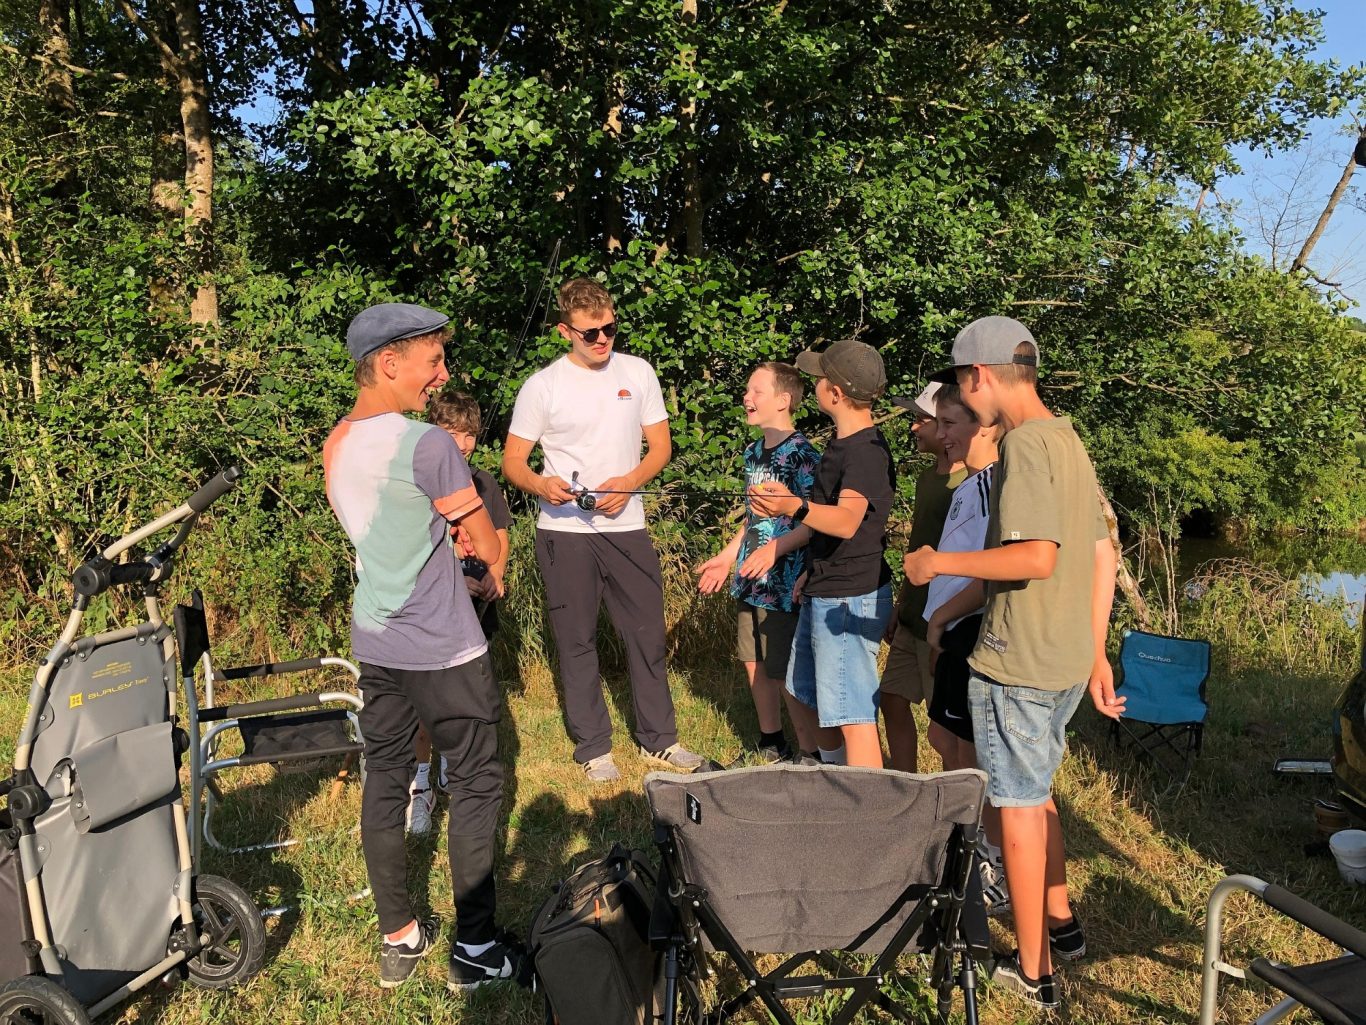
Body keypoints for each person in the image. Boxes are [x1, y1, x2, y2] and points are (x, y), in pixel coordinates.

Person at [905, 316, 1119, 1011]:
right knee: (1038, 794)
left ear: (979, 377)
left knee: (1019, 809)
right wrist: (1095, 651)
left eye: (965, 387)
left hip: (1018, 659)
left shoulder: (1025, 446)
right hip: (1060, 659)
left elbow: (1037, 557)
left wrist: (941, 562)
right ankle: (1061, 929)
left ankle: (1035, 971)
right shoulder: (1069, 437)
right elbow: (1098, 550)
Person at [323, 303, 519, 991]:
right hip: (443, 646)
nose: (442, 375)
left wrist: (448, 537)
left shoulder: (337, 443)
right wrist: (487, 559)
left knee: (385, 778)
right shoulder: (429, 446)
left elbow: (383, 535)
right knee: (476, 782)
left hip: (376, 643)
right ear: (388, 363)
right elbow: (487, 547)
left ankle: (398, 938)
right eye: (433, 360)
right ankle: (475, 950)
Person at [502, 277, 703, 782]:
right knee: (576, 641)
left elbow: (660, 447)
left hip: (627, 528)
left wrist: (630, 481)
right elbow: (513, 462)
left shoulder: (638, 373)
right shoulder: (542, 386)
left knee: (647, 635)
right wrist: (542, 486)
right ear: (564, 331)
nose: (602, 340)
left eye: (609, 328)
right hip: (563, 533)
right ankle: (594, 748)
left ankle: (660, 740)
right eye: (590, 332)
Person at [750, 339, 896, 769]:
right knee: (804, 690)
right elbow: (831, 523)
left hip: (850, 597)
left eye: (819, 378)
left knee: (852, 714)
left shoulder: (866, 453)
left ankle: (869, 807)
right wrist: (810, 571)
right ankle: (832, 777)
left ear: (835, 392)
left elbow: (848, 520)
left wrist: (792, 506)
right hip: (826, 586)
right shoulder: (841, 444)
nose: (813, 383)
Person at [695, 362, 821, 763]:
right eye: (747, 391)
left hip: (785, 583)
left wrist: (776, 550)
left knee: (783, 668)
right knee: (753, 660)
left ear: (783, 400)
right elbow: (756, 520)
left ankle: (811, 752)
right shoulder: (753, 452)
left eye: (756, 392)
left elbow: (814, 522)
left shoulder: (802, 454)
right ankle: (771, 742)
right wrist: (726, 557)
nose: (746, 398)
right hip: (751, 578)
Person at [404, 389, 513, 836]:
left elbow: (500, 534)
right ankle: (421, 784)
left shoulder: (484, 483)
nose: (463, 444)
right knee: (425, 706)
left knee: (464, 700)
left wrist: (495, 574)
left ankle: (454, 769)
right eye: (453, 433)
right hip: (430, 611)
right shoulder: (418, 485)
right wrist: (452, 580)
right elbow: (414, 550)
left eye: (469, 434)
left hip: (476, 612)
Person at [918, 385, 1008, 914]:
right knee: (944, 739)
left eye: (951, 423)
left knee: (973, 757)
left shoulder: (999, 487)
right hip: (949, 630)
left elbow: (990, 571)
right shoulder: (967, 486)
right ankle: (965, 847)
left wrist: (944, 616)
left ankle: (991, 863)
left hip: (972, 630)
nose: (943, 435)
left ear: (986, 427)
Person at [879, 382, 967, 772]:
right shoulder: (928, 478)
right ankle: (905, 785)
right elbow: (919, 545)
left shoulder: (969, 483)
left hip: (943, 621)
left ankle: (958, 807)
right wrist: (901, 604)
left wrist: (945, 625)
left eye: (921, 420)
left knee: (944, 728)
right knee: (892, 698)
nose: (914, 428)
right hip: (912, 615)